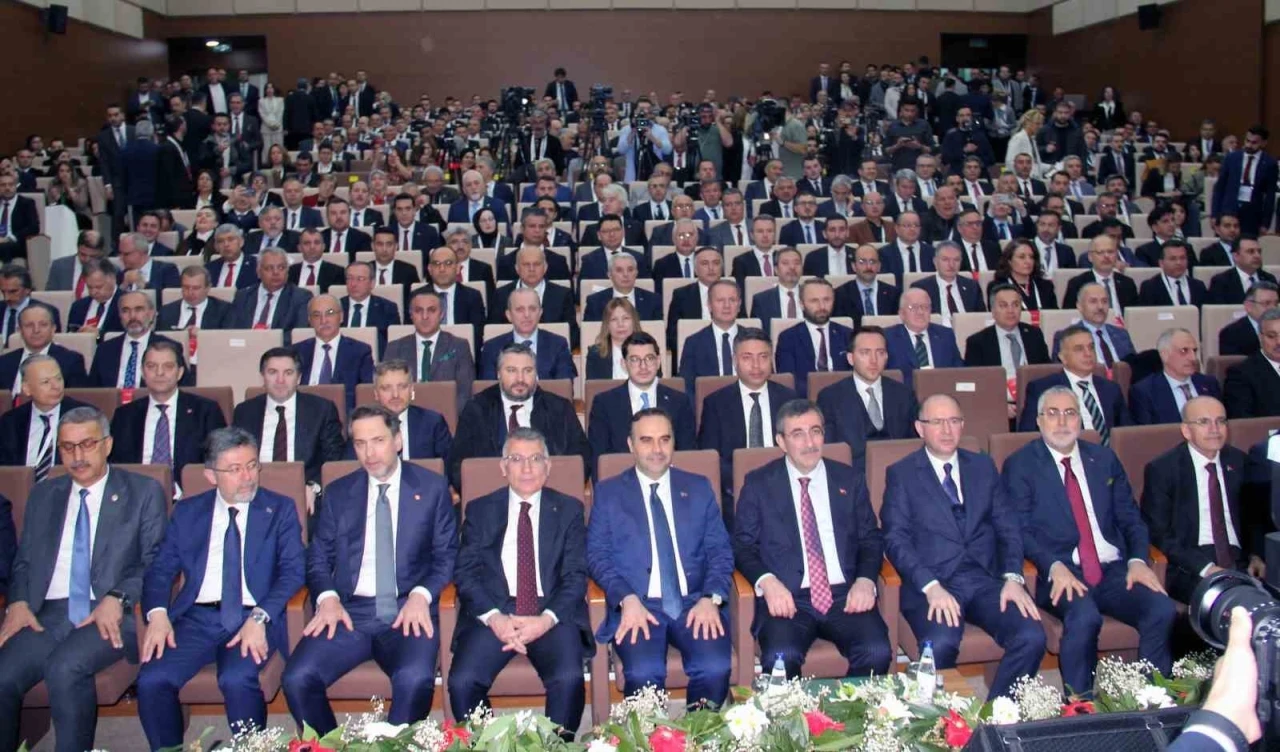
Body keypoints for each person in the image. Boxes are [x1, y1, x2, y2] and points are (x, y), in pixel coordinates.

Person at [282, 405, 457, 734]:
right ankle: (329, 744)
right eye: (360, 443)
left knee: (414, 678)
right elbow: (318, 557)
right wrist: (327, 598)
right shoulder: (339, 493)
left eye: (378, 440)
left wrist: (421, 596)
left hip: (408, 609)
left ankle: (394, 743)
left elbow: (446, 555)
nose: (369, 453)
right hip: (351, 611)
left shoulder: (432, 487)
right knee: (297, 677)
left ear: (398, 440)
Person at [0, 406, 167, 752]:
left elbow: (155, 561)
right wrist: (17, 602)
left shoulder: (142, 491)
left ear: (107, 444)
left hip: (112, 612)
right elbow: (24, 560)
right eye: (68, 447)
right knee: (3, 676)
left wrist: (118, 597)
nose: (77, 456)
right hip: (48, 613)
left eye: (87, 444)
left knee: (64, 667)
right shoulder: (44, 494)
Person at [135, 426, 305, 750]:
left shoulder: (279, 508)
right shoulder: (188, 512)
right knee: (152, 679)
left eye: (252, 465)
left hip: (252, 615)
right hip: (196, 618)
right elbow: (160, 569)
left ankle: (252, 748)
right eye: (235, 469)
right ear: (211, 475)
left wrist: (260, 617)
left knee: (236, 678)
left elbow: (294, 571)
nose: (248, 477)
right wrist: (157, 614)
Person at [1003, 386, 1176, 695]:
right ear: (1039, 421)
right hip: (1059, 571)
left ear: (1080, 420)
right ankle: (1080, 704)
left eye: (1070, 413)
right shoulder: (1021, 464)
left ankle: (1152, 697)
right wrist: (1053, 566)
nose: (1062, 422)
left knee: (1161, 608)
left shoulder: (1104, 458)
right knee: (1084, 617)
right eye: (1052, 413)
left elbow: (1131, 518)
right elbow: (1019, 530)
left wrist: (1138, 560)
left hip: (1112, 569)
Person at [883, 395, 1045, 699]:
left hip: (985, 579)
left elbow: (1008, 528)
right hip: (934, 582)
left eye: (954, 421)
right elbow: (895, 539)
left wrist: (1013, 577)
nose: (947, 430)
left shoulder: (983, 466)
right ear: (920, 428)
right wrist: (930, 586)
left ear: (962, 425)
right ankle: (943, 719)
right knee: (940, 644)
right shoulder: (902, 474)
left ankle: (997, 715)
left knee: (1031, 635)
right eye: (937, 422)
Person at [733, 397, 893, 679]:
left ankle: (850, 706)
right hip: (788, 595)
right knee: (781, 657)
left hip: (844, 593)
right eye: (798, 434)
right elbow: (742, 545)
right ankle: (795, 710)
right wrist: (767, 582)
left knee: (876, 651)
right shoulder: (759, 484)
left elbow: (870, 538)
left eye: (815, 431)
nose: (809, 442)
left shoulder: (849, 479)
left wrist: (865, 581)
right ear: (781, 441)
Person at [448, 425, 590, 737]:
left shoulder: (569, 509)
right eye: (516, 459)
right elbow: (466, 572)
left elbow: (575, 575)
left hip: (549, 610)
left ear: (547, 466)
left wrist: (545, 620)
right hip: (495, 611)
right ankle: (490, 743)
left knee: (568, 679)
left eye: (535, 459)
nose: (527, 468)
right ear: (503, 467)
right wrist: (495, 618)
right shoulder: (480, 509)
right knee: (462, 682)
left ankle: (556, 746)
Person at [587, 408, 733, 706]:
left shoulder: (698, 487)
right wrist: (626, 598)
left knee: (715, 667)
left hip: (694, 600)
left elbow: (720, 551)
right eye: (647, 440)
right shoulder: (609, 493)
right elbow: (597, 555)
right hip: (639, 604)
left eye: (665, 439)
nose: (657, 449)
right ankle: (651, 734)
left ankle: (700, 730)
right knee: (643, 672)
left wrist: (711, 597)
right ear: (631, 445)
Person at [1142, 397, 1262, 606]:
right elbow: (1158, 533)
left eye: (1220, 421)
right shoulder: (1163, 469)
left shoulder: (1240, 462)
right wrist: (1205, 567)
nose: (1214, 429)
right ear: (1186, 431)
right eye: (1204, 422)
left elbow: (1255, 518)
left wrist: (1256, 555)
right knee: (1231, 602)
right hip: (1189, 564)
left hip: (1238, 558)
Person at [449, 342, 590, 490]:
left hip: (549, 496)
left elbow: (581, 463)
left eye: (527, 370)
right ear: (498, 373)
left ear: (536, 374)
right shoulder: (476, 410)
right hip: (491, 497)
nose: (520, 379)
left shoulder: (560, 409)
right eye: (511, 370)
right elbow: (458, 468)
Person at [697, 328, 797, 516]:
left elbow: (798, 449)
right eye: (747, 358)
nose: (756, 365)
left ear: (771, 360)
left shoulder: (790, 400)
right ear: (735, 360)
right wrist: (743, 483)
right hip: (736, 491)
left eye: (763, 357)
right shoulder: (716, 403)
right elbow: (711, 457)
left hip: (786, 488)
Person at [231, 347, 345, 505]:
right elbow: (234, 457)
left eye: (288, 373)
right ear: (263, 376)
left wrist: (314, 487)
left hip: (304, 493)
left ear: (298, 378)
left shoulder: (321, 410)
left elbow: (334, 459)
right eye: (272, 372)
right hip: (254, 492)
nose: (280, 380)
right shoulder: (244, 412)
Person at [107, 339, 226, 482]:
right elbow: (114, 467)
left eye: (168, 366)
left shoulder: (206, 411)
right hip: (136, 490)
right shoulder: (124, 416)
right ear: (143, 372)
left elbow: (220, 462)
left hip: (189, 490)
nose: (159, 372)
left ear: (180, 373)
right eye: (151, 366)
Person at [588, 332, 694, 456]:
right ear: (624, 364)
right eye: (635, 360)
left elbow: (688, 455)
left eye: (649, 358)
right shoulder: (604, 404)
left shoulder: (680, 402)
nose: (643, 366)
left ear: (658, 361)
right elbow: (600, 459)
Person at [1022, 324, 1130, 441]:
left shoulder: (1111, 389)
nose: (1088, 354)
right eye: (1079, 349)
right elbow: (1027, 436)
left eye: (1091, 347)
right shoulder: (1042, 389)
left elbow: (1127, 433)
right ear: (1063, 357)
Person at [383, 288, 475, 414]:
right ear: (411, 315)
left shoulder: (458, 346)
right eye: (418, 311)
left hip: (446, 415)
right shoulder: (395, 348)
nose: (425, 317)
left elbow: (465, 392)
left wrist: (449, 417)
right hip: (403, 415)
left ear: (441, 314)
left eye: (431, 310)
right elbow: (386, 390)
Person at [0, 355, 89, 477]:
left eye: (58, 378)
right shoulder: (10, 422)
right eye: (46, 382)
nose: (56, 386)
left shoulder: (84, 417)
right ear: (27, 389)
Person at [345, 359, 451, 461]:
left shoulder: (433, 423)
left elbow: (446, 467)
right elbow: (350, 467)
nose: (395, 395)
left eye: (402, 387)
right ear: (376, 394)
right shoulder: (361, 425)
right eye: (387, 388)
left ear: (411, 389)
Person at [295, 294, 374, 413]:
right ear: (309, 320)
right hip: (304, 412)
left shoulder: (360, 352)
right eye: (316, 315)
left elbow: (365, 393)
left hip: (343, 414)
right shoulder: (296, 352)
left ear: (341, 317)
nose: (323, 320)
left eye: (330, 313)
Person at [774, 279, 852, 397]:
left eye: (827, 300)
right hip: (805, 400)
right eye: (814, 301)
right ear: (801, 304)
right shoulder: (788, 338)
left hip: (843, 397)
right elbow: (789, 380)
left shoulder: (848, 334)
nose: (822, 306)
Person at [478, 288, 575, 381]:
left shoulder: (558, 345)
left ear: (540, 313)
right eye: (520, 310)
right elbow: (488, 388)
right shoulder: (492, 348)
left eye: (532, 309)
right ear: (509, 315)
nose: (527, 315)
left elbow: (563, 386)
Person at [1129, 329, 1222, 425]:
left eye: (1194, 351)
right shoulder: (1144, 392)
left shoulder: (1209, 383)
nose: (1193, 358)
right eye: (1184, 351)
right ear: (1164, 355)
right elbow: (1147, 433)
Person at [884, 288, 962, 386]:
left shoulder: (945, 335)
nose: (920, 312)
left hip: (942, 391)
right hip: (904, 392)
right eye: (914, 307)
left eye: (925, 307)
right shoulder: (887, 338)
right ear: (902, 313)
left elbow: (959, 371)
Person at [678, 279, 744, 395]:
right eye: (720, 300)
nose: (727, 306)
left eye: (732, 300)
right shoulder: (693, 343)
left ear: (739, 305)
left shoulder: (755, 340)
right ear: (709, 305)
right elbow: (687, 388)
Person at [0, 306, 87, 393]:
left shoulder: (71, 361)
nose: (36, 330)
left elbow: (77, 397)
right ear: (20, 330)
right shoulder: (4, 362)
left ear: (53, 329)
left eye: (43, 325)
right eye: (29, 325)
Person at [1211, 125, 1277, 236]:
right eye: (1247, 141)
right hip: (1229, 209)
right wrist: (1214, 214)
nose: (1249, 145)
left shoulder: (1270, 163)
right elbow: (1220, 188)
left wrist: (1265, 223)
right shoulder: (1232, 158)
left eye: (1254, 142)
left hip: (1252, 212)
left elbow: (1270, 195)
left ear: (1263, 143)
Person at [1052, 282, 1135, 363]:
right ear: (1079, 306)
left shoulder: (1121, 334)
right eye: (1093, 301)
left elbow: (1134, 366)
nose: (1100, 307)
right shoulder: (1066, 337)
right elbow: (1061, 370)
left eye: (1104, 301)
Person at [1223, 308, 1280, 419]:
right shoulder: (1240, 375)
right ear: (1260, 338)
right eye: (1271, 336)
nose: (1278, 342)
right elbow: (1244, 422)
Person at [911, 241, 984, 324]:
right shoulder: (921, 288)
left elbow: (981, 318)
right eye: (945, 260)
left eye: (956, 260)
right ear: (935, 262)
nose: (951, 265)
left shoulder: (972, 286)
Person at [1062, 236, 1138, 313]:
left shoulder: (1127, 283)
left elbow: (1135, 315)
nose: (1106, 256)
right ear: (1090, 257)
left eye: (1110, 252)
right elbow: (1068, 315)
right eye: (1100, 252)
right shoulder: (1077, 284)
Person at [583, 252, 661, 322]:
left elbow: (657, 330)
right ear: (609, 275)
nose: (625, 274)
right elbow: (590, 331)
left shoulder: (653, 300)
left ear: (636, 273)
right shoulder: (595, 302)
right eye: (619, 270)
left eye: (630, 270)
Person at [1209, 236, 1277, 306]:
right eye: (1251, 251)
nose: (1257, 256)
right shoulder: (1220, 282)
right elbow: (1219, 311)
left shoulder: (1269, 279)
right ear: (1235, 256)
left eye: (1259, 252)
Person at [1137, 240, 1207, 308]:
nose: (1179, 262)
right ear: (1161, 263)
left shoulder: (1198, 286)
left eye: (1182, 258)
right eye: (1173, 259)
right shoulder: (1149, 287)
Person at [1220, 281, 1278, 357]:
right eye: (1266, 303)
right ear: (1249, 306)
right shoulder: (1231, 334)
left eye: (1276, 304)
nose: (1273, 308)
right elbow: (1235, 363)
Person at [67, 257, 124, 334]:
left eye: (98, 287)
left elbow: (126, 336)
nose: (93, 292)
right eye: (89, 287)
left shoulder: (127, 303)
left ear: (112, 279)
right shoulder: (78, 307)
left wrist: (99, 335)